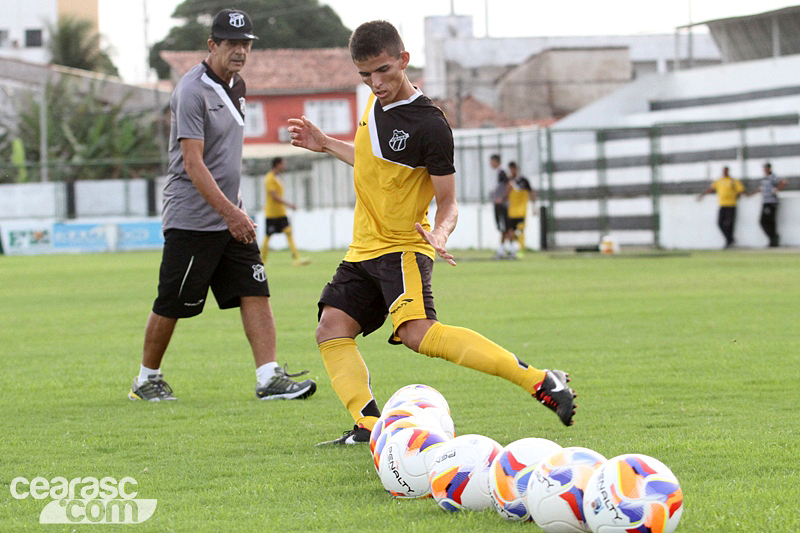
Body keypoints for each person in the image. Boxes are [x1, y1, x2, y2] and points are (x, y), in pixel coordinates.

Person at [287, 20, 575, 445]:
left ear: (404, 60)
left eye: (383, 70)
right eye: (365, 75)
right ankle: (368, 426)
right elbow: (374, 165)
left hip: (403, 248)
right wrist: (327, 143)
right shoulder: (374, 105)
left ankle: (539, 380)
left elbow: (449, 202)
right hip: (362, 250)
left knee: (417, 334)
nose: (375, 83)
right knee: (331, 328)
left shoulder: (430, 124)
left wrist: (440, 233)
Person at [128, 9, 316, 402]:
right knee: (172, 301)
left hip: (232, 216)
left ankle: (269, 378)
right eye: (231, 43)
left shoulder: (238, 85)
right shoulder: (191, 91)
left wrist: (235, 211)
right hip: (193, 219)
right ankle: (146, 380)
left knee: (255, 288)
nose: (240, 51)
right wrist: (230, 213)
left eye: (245, 43)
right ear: (212, 45)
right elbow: (192, 163)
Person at [260, 156, 310, 265]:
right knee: (268, 236)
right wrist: (289, 204)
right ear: (277, 164)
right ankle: (262, 260)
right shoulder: (270, 178)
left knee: (288, 232)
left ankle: (296, 258)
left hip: (281, 212)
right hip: (272, 213)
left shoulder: (278, 177)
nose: (285, 166)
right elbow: (274, 196)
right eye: (283, 164)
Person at [697, 166, 744, 248]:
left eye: (726, 171)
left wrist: (737, 196)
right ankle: (730, 239)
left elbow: (740, 190)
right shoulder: (719, 181)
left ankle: (729, 241)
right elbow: (711, 189)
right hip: (722, 204)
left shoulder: (733, 180)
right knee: (720, 223)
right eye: (724, 171)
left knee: (730, 224)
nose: (725, 172)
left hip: (731, 204)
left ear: (728, 171)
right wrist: (702, 195)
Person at [748, 162, 787, 247]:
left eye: (766, 168)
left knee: (768, 221)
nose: (765, 170)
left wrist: (776, 189)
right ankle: (772, 239)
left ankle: (774, 239)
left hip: (771, 202)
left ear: (769, 169)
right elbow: (761, 189)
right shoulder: (764, 179)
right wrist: (751, 194)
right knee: (765, 221)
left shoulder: (773, 177)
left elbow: (783, 182)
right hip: (765, 202)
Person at [504, 161, 537, 258]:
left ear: (516, 169)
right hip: (512, 211)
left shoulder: (524, 181)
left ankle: (521, 250)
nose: (512, 171)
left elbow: (531, 192)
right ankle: (512, 249)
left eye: (513, 169)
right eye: (510, 170)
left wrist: (534, 207)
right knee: (510, 231)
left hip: (522, 210)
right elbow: (506, 195)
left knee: (520, 231)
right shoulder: (509, 181)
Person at [490, 154, 512, 258]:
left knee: (505, 227)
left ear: (496, 161)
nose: (490, 164)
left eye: (492, 161)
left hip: (501, 205)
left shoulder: (502, 172)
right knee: (503, 228)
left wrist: (502, 198)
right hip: (499, 204)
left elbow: (509, 184)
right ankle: (504, 250)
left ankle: (509, 250)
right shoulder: (498, 173)